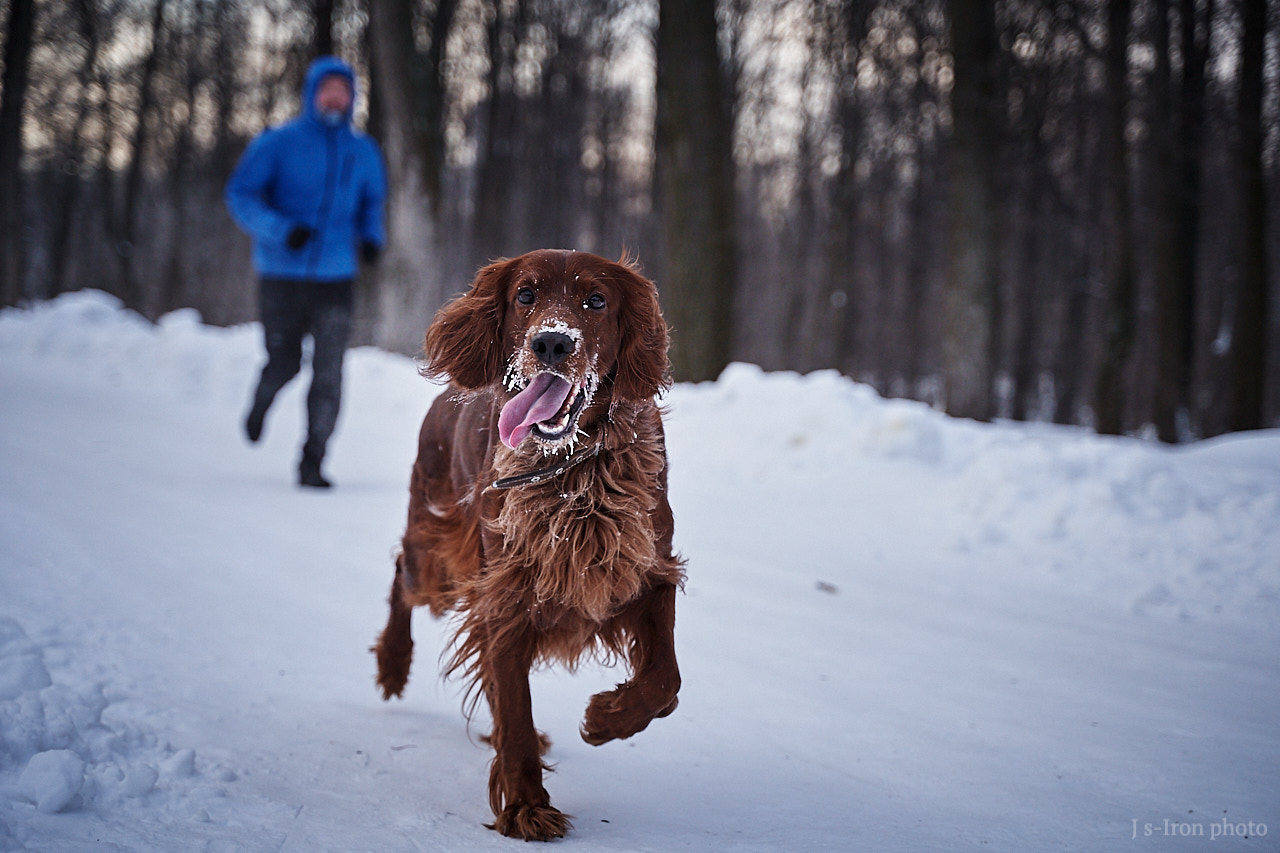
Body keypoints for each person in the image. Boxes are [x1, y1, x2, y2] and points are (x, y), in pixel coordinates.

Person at [226, 56, 386, 489]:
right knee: (285, 362)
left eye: (343, 89)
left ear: (352, 97)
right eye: (327, 88)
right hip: (282, 273)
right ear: (312, 93)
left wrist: (372, 237)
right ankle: (262, 400)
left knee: (330, 370)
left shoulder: (363, 151)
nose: (335, 96)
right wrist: (280, 230)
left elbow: (373, 201)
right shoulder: (278, 143)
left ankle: (313, 460)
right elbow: (240, 194)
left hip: (337, 276)